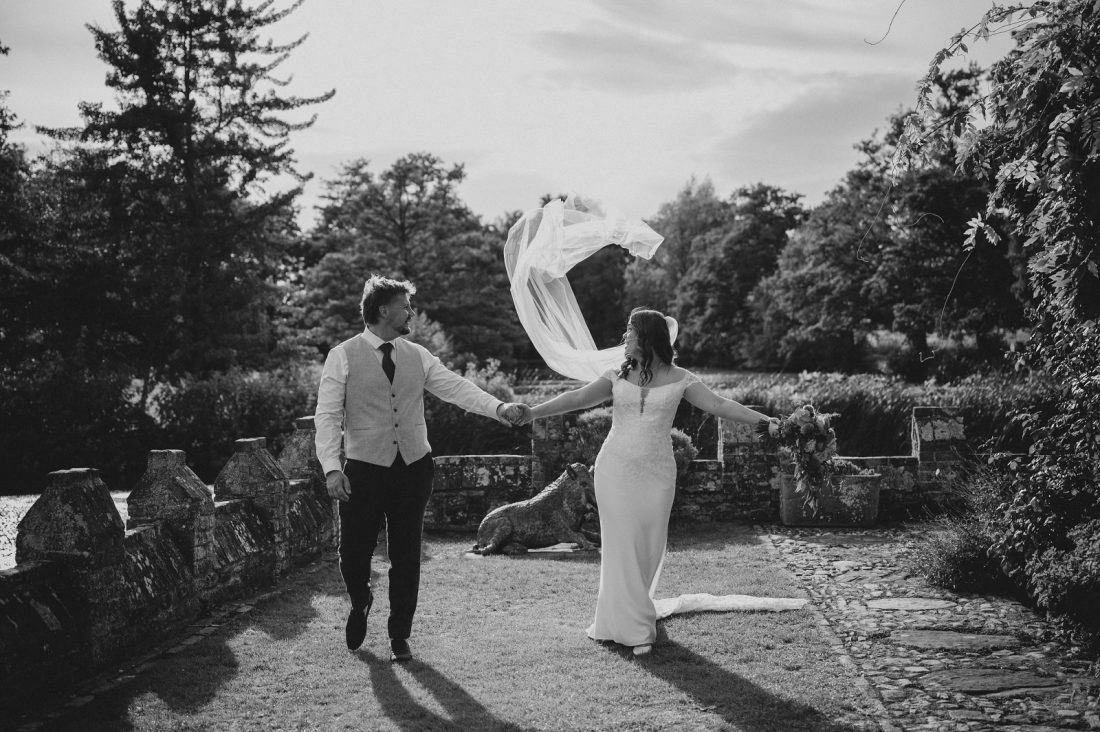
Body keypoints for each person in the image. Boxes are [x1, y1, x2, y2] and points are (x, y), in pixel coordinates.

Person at [520, 307, 776, 657]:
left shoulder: (682, 378)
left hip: (657, 474)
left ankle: (620, 618)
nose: (624, 338)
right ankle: (637, 630)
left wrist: (768, 421)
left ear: (645, 337)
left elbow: (719, 404)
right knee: (621, 544)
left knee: (648, 546)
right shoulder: (615, 375)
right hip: (614, 470)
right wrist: (533, 411)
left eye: (629, 332)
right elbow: (576, 399)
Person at [315, 274, 529, 661]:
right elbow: (327, 417)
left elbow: (457, 388)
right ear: (383, 310)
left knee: (406, 555)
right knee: (353, 554)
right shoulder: (342, 355)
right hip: (362, 469)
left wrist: (498, 408)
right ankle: (360, 600)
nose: (410, 312)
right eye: (405, 306)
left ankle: (400, 636)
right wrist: (332, 468)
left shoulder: (417, 355)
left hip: (413, 469)